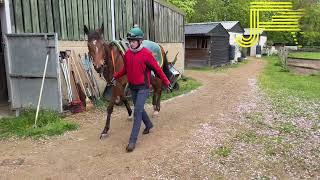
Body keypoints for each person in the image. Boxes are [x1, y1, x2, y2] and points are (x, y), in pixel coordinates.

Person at [112, 26, 170, 152]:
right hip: (133, 87)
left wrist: (166, 81)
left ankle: (132, 140)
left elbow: (157, 69)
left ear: (139, 41)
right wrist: (115, 76)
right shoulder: (127, 54)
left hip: (143, 87)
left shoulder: (146, 54)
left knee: (137, 111)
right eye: (130, 41)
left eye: (133, 41)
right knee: (140, 109)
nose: (131, 43)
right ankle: (148, 124)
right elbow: (125, 70)